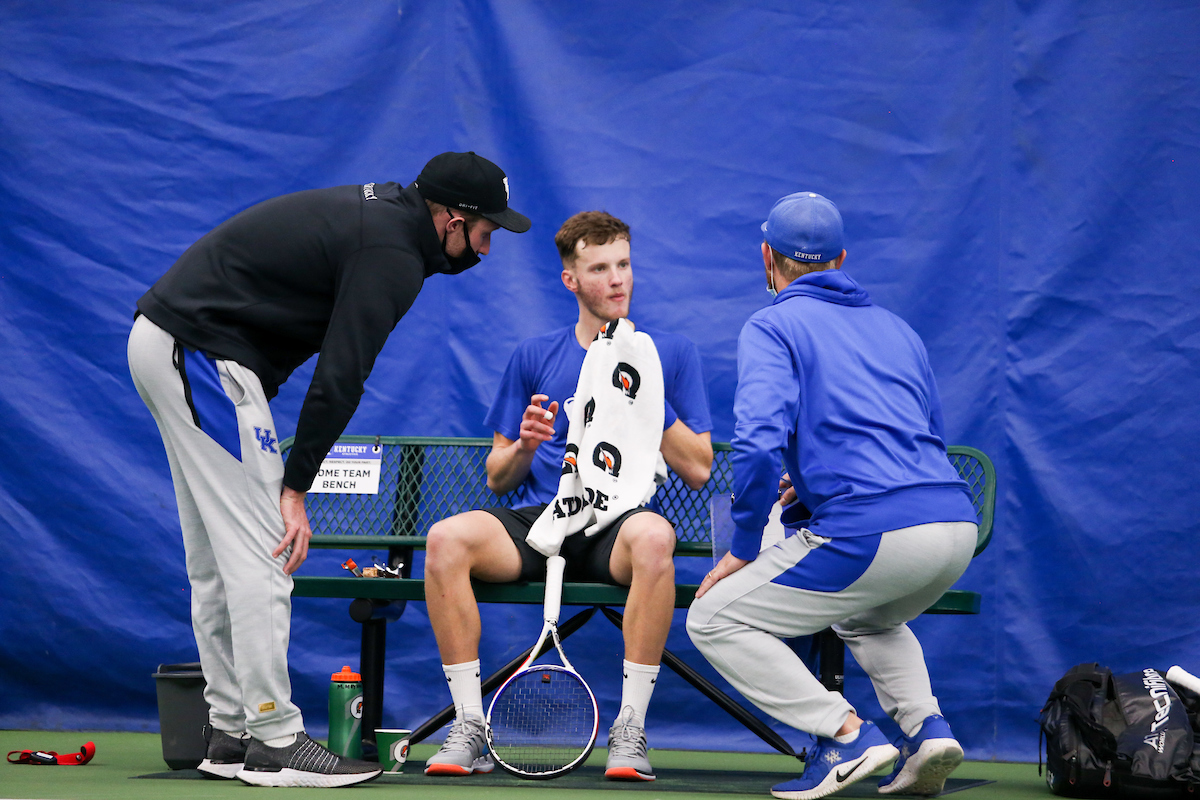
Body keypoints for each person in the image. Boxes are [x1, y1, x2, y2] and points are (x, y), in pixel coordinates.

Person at [127, 152, 530, 788]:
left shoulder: (387, 224)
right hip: (200, 354)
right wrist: (295, 487)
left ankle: (231, 731)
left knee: (215, 557)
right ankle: (275, 738)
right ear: (452, 219)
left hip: (175, 343)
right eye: (488, 229)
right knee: (266, 549)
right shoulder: (392, 254)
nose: (489, 245)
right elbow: (341, 375)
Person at [686, 192, 979, 800]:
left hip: (873, 531)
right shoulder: (900, 330)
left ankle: (847, 736)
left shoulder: (771, 324)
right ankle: (927, 729)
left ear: (766, 258)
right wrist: (817, 486)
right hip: (954, 525)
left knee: (713, 618)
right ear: (843, 259)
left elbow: (759, 445)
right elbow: (928, 439)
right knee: (866, 617)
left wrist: (742, 549)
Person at [422, 211, 713, 782]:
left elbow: (699, 468)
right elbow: (498, 477)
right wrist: (526, 445)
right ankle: (470, 727)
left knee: (657, 537)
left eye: (624, 265)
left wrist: (643, 390)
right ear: (571, 280)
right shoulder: (535, 355)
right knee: (445, 540)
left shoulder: (668, 356)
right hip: (543, 523)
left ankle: (630, 730)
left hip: (619, 526)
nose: (617, 279)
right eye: (599, 268)